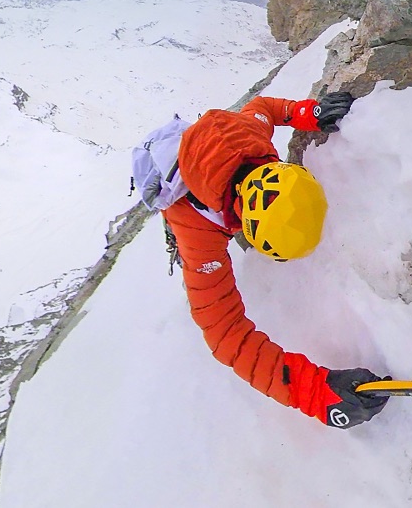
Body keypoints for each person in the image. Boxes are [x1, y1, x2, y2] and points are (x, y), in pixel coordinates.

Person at [162, 92, 389, 429]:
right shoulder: (197, 233)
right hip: (182, 185)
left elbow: (265, 108)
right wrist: (313, 392)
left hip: (215, 149)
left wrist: (307, 112)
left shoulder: (251, 134)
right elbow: (226, 336)